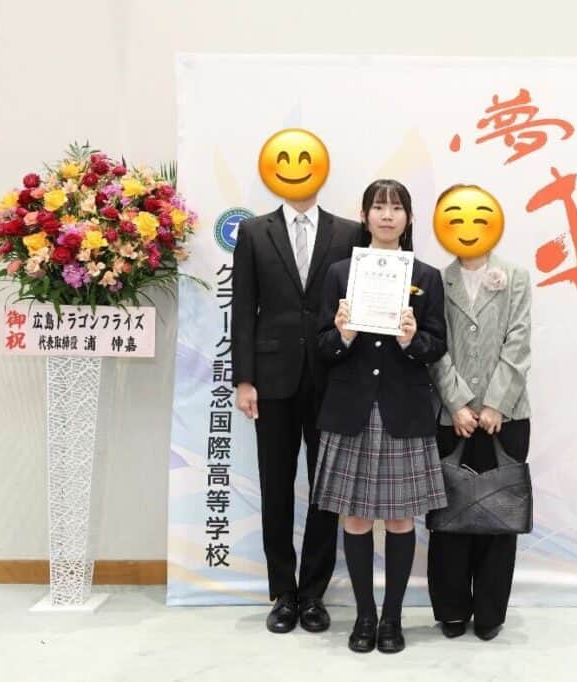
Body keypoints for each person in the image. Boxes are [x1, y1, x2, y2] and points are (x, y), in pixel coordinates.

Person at [312, 178, 447, 654]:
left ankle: (392, 618)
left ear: (409, 218)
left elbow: (437, 344)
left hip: (402, 409)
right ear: (365, 215)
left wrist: (412, 341)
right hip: (350, 408)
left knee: (399, 520)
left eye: (396, 208)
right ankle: (364, 615)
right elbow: (322, 345)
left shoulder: (426, 276)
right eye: (378, 207)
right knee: (353, 518)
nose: (387, 216)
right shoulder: (340, 273)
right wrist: (343, 334)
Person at [231, 142, 360, 635]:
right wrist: (244, 379)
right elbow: (244, 308)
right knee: (276, 486)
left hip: (332, 375)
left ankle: (314, 594)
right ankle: (283, 592)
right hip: (272, 379)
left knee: (326, 489)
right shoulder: (253, 231)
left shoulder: (348, 232)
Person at [427, 184, 532, 641]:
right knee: (450, 515)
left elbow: (519, 342)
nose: (467, 227)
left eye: (477, 217)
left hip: (507, 416)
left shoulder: (516, 277)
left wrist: (495, 404)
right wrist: (457, 403)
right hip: (451, 417)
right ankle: (451, 609)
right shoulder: (436, 280)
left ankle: (490, 612)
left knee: (498, 515)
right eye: (456, 218)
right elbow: (434, 346)